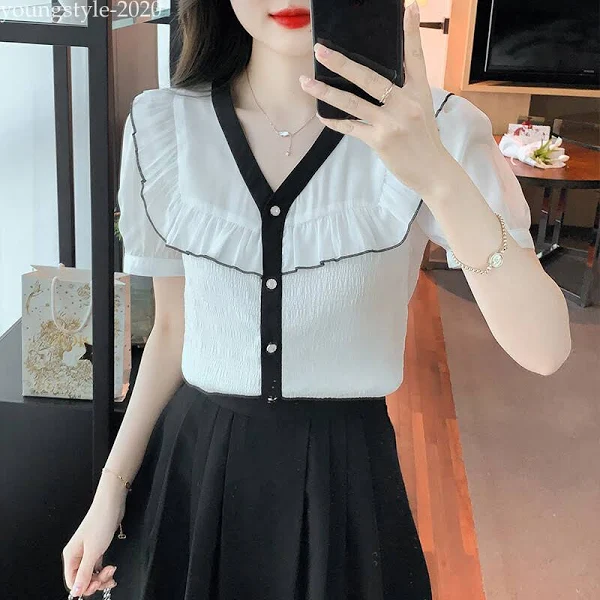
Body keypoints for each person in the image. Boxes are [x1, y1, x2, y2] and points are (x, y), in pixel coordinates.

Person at [61, 1, 572, 598]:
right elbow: (173, 330)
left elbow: (545, 349)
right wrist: (111, 490)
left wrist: (436, 174)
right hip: (194, 472)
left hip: (345, 487)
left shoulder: (439, 128)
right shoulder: (162, 126)